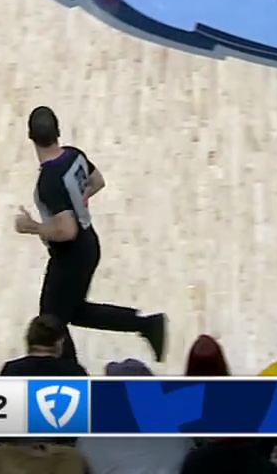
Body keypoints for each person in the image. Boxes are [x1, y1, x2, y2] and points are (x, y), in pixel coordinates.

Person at [12, 105, 167, 365]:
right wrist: (75, 206)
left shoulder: (49, 180)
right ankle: (145, 325)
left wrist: (32, 226)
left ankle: (70, 370)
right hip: (88, 245)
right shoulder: (74, 155)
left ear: (30, 137)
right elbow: (97, 181)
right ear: (58, 131)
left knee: (51, 320)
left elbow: (66, 230)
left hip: (70, 257)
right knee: (73, 312)